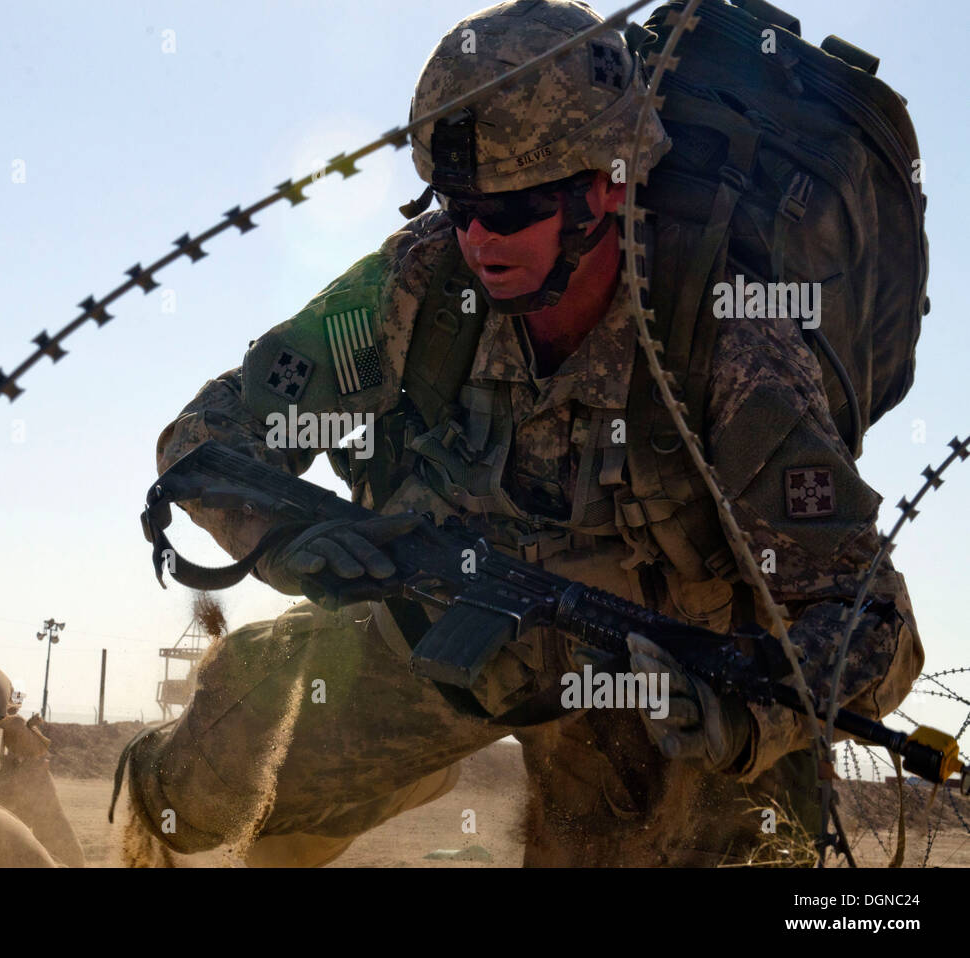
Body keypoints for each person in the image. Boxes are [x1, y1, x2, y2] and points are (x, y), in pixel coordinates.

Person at [117, 0, 922, 866]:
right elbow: (207, 437)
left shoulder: (727, 339)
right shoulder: (419, 282)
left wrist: (748, 716)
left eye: (509, 213)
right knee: (192, 791)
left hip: (658, 696)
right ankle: (357, 793)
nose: (476, 239)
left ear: (611, 184)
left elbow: (872, 618)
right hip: (436, 636)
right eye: (457, 204)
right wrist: (283, 538)